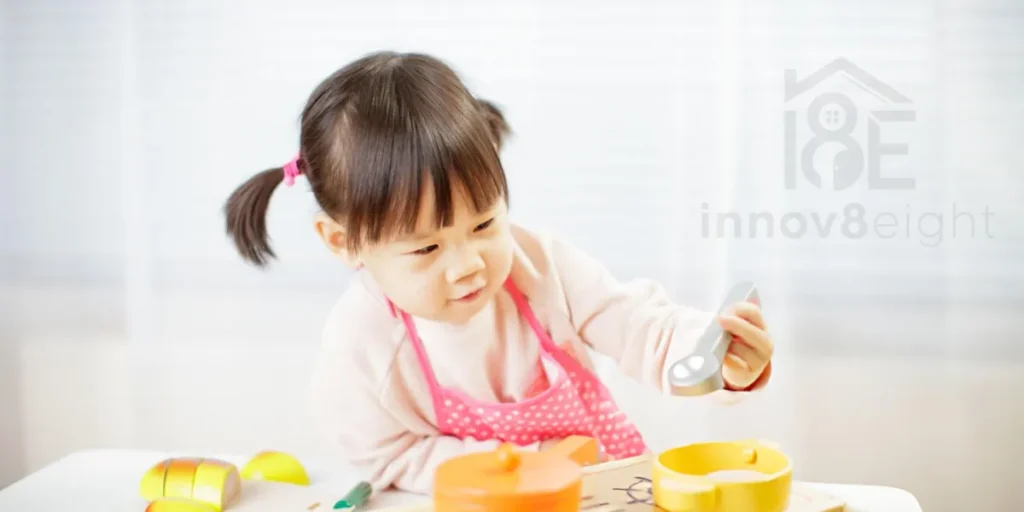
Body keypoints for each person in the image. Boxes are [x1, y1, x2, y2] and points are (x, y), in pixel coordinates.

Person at [223, 51, 774, 494]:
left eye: (485, 223)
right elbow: (388, 454)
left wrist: (710, 355)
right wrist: (515, 470)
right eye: (427, 248)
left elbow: (635, 323)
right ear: (346, 243)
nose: (468, 265)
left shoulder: (542, 265)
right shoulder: (360, 346)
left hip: (598, 493)